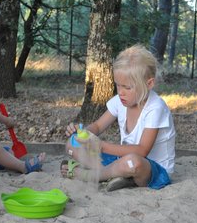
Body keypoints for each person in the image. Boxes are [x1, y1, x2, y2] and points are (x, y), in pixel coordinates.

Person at [61, 44, 176, 191]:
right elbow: (97, 126)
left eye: (127, 87)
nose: (121, 92)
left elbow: (142, 151)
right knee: (71, 145)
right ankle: (118, 176)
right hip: (122, 161)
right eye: (118, 85)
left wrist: (100, 146)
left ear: (149, 84)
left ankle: (91, 175)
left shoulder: (156, 108)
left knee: (133, 162)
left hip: (152, 169)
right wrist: (82, 133)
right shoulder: (120, 101)